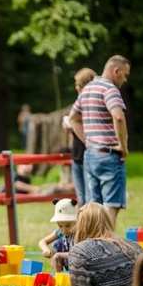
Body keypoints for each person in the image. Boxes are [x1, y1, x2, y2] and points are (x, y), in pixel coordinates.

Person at [69, 55, 132, 227]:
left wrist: (88, 141)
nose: (125, 79)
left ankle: (91, 247)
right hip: (110, 156)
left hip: (90, 155)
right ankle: (108, 246)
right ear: (116, 71)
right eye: (124, 75)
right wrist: (123, 147)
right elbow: (118, 117)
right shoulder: (109, 89)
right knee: (112, 206)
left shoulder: (88, 88)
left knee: (93, 208)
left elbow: (73, 118)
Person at [65, 68, 96, 206]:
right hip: (76, 154)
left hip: (88, 154)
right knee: (81, 198)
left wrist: (74, 126)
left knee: (90, 198)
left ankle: (91, 225)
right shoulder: (78, 103)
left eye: (79, 84)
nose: (77, 87)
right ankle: (83, 226)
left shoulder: (92, 103)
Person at [38, 198, 77, 272]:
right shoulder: (60, 232)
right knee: (57, 244)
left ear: (75, 222)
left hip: (78, 265)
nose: (64, 230)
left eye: (68, 226)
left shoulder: (79, 233)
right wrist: (45, 250)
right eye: (60, 226)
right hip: (66, 262)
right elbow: (42, 241)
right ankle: (59, 275)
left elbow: (77, 254)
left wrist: (59, 254)